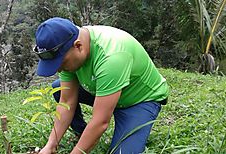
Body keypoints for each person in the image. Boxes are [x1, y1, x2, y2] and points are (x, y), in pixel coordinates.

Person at [35, 17, 169, 154]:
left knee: (122, 152)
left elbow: (101, 122)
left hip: (138, 99)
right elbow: (67, 101)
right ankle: (83, 133)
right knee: (59, 88)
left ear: (78, 46)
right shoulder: (69, 50)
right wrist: (50, 145)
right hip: (104, 90)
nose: (59, 70)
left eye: (61, 64)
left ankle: (93, 136)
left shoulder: (111, 56)